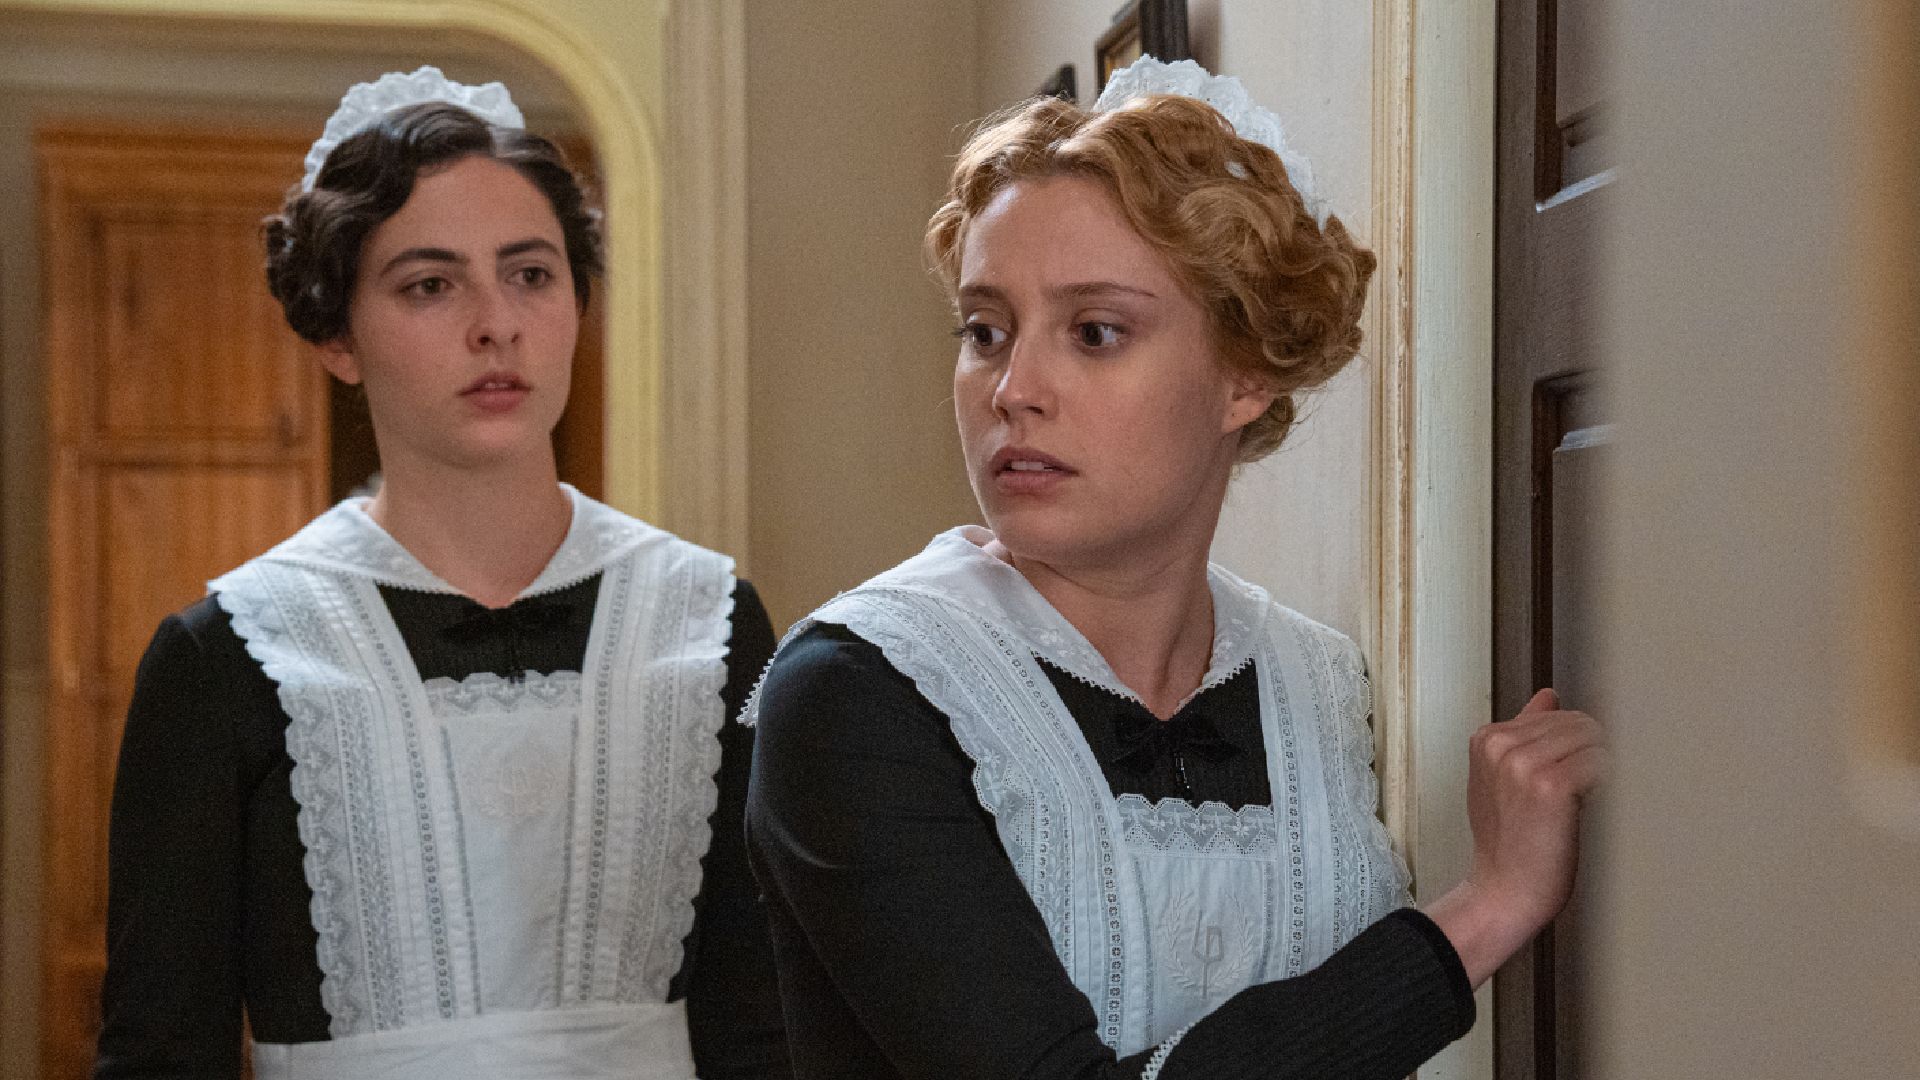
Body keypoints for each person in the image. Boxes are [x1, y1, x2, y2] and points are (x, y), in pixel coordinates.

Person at [743, 58, 1606, 1079]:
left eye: (1094, 332)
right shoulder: (860, 690)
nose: (1013, 388)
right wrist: (1489, 907)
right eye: (985, 331)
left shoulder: (1324, 689)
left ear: (1245, 374)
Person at [95, 68, 789, 1080]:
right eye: (430, 284)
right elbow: (160, 1051)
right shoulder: (228, 655)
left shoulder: (710, 619)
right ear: (337, 335)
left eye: (530, 274)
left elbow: (763, 1023)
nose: (495, 323)